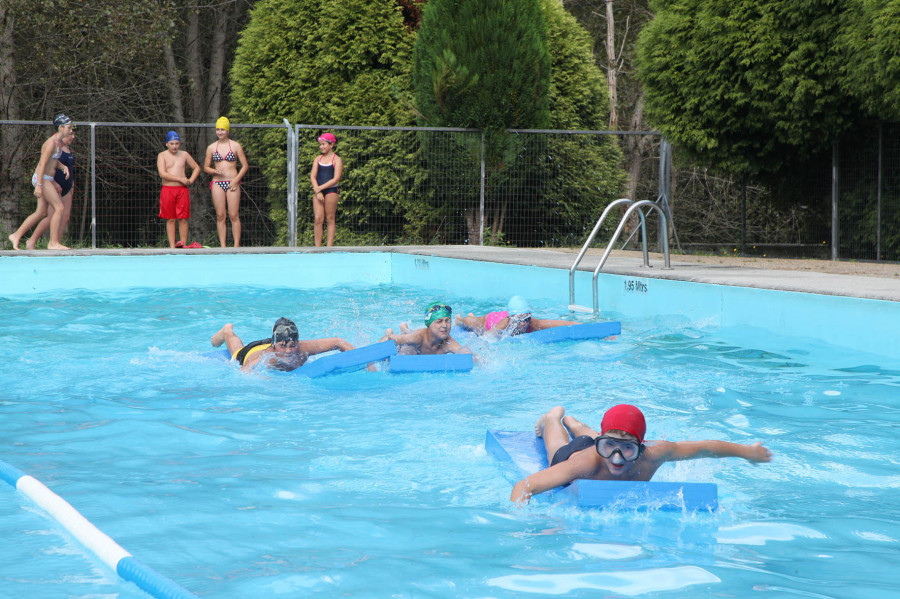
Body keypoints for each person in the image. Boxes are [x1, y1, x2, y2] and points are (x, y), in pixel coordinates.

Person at [510, 404, 773, 504]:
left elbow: (705, 447)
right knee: (556, 446)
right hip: (583, 451)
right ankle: (555, 417)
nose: (616, 458)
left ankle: (578, 425)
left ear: (641, 446)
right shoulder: (584, 463)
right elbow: (525, 486)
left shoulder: (655, 454)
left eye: (627, 448)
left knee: (593, 436)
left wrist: (747, 452)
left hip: (596, 442)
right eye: (610, 447)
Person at [8, 114, 74, 250]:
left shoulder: (58, 143)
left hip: (47, 179)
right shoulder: (50, 143)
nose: (71, 130)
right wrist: (39, 185)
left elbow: (53, 161)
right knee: (59, 208)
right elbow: (42, 164)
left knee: (41, 213)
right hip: (42, 177)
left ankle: (16, 235)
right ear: (61, 128)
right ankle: (53, 243)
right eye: (69, 127)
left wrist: (63, 167)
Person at [210, 317, 355, 372]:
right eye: (283, 346)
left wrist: (365, 362)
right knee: (236, 349)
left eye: (292, 345)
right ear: (274, 345)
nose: (288, 351)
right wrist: (264, 380)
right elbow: (245, 370)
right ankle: (227, 331)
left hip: (272, 342)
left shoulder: (304, 348)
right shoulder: (269, 357)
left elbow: (338, 341)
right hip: (249, 352)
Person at [26, 129, 76, 249]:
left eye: (74, 134)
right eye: (70, 134)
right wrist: (51, 183)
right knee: (50, 215)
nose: (73, 137)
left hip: (66, 186)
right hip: (54, 185)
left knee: (65, 216)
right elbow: (44, 166)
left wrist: (71, 185)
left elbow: (67, 167)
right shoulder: (53, 146)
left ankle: (57, 242)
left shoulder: (65, 149)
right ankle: (32, 241)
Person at [203, 117, 248, 248]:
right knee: (220, 215)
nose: (220, 132)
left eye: (222, 129)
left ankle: (236, 245)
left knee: (233, 215)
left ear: (227, 130)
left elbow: (244, 166)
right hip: (217, 182)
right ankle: (223, 245)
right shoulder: (211, 147)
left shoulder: (235, 146)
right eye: (218, 129)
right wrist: (214, 171)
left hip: (232, 182)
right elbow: (206, 167)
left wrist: (235, 180)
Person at [157, 131, 201, 249]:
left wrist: (190, 180)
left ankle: (183, 244)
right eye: (172, 143)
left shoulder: (184, 154)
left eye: (177, 143)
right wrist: (179, 179)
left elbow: (196, 167)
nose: (175, 146)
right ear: (167, 144)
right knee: (171, 218)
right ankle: (172, 245)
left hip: (182, 190)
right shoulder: (162, 155)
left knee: (183, 218)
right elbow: (162, 173)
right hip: (168, 189)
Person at [455, 295, 576, 338]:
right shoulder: (505, 323)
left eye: (526, 319)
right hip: (491, 320)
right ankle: (460, 318)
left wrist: (580, 325)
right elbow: (487, 337)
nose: (524, 324)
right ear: (513, 319)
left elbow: (559, 323)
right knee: (470, 323)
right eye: (520, 320)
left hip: (508, 315)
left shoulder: (532, 323)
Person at [380, 302, 471, 355]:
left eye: (448, 321)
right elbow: (388, 339)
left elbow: (462, 351)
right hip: (406, 347)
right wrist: (388, 336)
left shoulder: (448, 342)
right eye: (439, 321)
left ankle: (405, 329)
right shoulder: (418, 337)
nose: (444, 325)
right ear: (428, 324)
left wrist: (474, 356)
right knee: (405, 349)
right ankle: (402, 330)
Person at [309, 132, 342, 247]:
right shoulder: (318, 159)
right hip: (318, 192)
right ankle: (317, 248)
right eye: (320, 144)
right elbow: (313, 176)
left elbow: (336, 179)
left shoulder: (337, 159)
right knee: (318, 219)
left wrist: (319, 189)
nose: (321, 147)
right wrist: (317, 191)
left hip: (331, 191)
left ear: (331, 145)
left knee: (330, 218)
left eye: (324, 144)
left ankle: (329, 248)